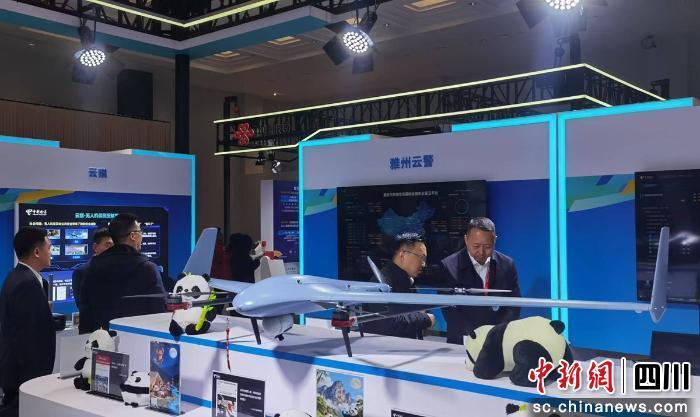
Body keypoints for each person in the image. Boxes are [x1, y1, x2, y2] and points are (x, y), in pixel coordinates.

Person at [0, 227, 56, 416]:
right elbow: (27, 338)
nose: (51, 252)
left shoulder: (19, 277)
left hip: (20, 374)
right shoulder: (26, 283)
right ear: (37, 252)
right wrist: (34, 381)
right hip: (25, 376)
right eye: (49, 247)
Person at [79, 213, 166, 334]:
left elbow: (86, 314)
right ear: (132, 236)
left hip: (101, 340)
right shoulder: (147, 269)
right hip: (139, 340)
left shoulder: (92, 268)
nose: (142, 236)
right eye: (140, 232)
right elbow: (159, 312)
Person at [439, 217, 521, 344]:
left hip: (498, 339)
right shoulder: (449, 266)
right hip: (463, 339)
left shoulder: (507, 265)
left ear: (495, 240)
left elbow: (514, 305)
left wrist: (498, 332)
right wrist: (472, 335)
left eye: (487, 246)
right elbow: (448, 308)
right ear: (466, 240)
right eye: (476, 246)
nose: (481, 252)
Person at [361, 233, 435, 339]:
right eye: (421, 257)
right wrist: (426, 319)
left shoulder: (408, 281)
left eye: (425, 259)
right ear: (402, 254)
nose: (423, 264)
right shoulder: (380, 282)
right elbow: (389, 322)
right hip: (384, 348)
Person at [72, 227, 113, 307]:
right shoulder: (81, 273)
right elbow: (82, 306)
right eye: (108, 245)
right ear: (95, 247)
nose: (112, 250)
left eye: (114, 246)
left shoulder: (119, 270)